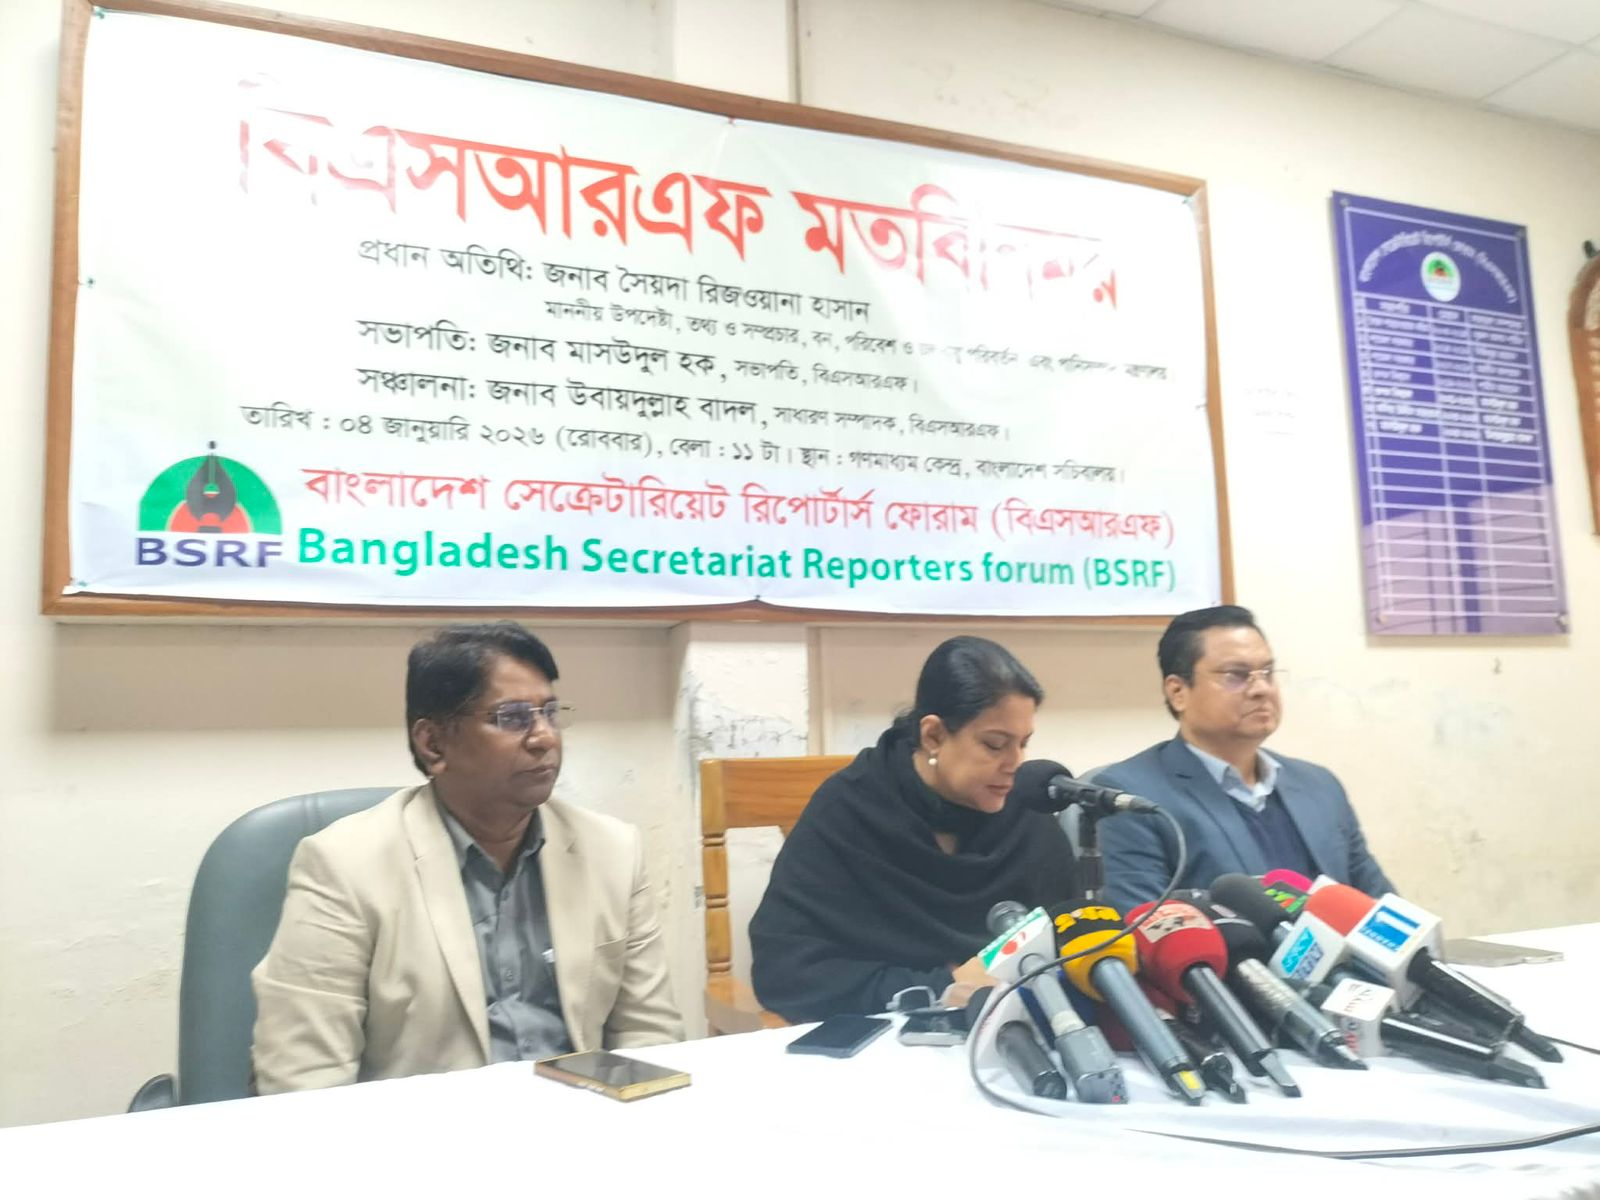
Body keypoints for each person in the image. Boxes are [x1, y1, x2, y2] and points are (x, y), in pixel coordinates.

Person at [251, 622, 682, 1093]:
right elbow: (304, 1078)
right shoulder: (344, 866)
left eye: (550, 713)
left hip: (586, 1119)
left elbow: (650, 1039)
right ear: (433, 744)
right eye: (513, 717)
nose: (545, 737)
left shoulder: (613, 851)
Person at [749, 636, 1080, 1024]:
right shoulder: (851, 809)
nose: (1014, 763)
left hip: (1012, 1028)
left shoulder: (1024, 810)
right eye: (995, 744)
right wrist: (940, 988)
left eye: (1023, 744)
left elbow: (1068, 938)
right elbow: (785, 971)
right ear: (933, 736)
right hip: (883, 1035)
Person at [1093, 605, 1394, 915]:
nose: (1261, 689)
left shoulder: (1320, 785)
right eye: (1236, 676)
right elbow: (1146, 923)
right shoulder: (1132, 796)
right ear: (1178, 692)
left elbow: (1381, 904)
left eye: (1267, 673)